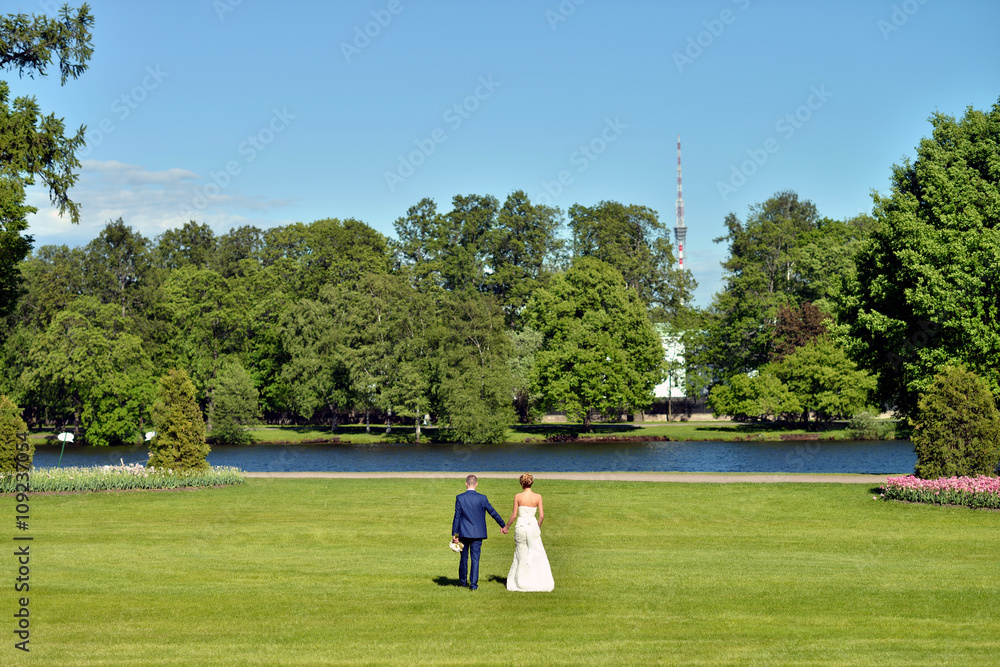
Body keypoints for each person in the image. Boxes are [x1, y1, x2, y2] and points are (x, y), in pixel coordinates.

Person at [452, 474, 507, 590]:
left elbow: (457, 517)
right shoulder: (482, 498)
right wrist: (503, 525)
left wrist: (455, 534)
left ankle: (463, 582)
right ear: (476, 484)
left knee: (464, 558)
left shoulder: (460, 498)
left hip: (464, 533)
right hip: (478, 533)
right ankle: (473, 585)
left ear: (466, 484)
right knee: (475, 559)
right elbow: (493, 512)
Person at [505, 472, 554, 592]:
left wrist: (506, 527)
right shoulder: (538, 497)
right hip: (532, 526)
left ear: (522, 484)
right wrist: (537, 526)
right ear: (531, 483)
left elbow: (514, 515)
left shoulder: (518, 496)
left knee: (521, 551)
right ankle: (536, 579)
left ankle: (519, 580)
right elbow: (541, 516)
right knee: (535, 551)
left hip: (521, 525)